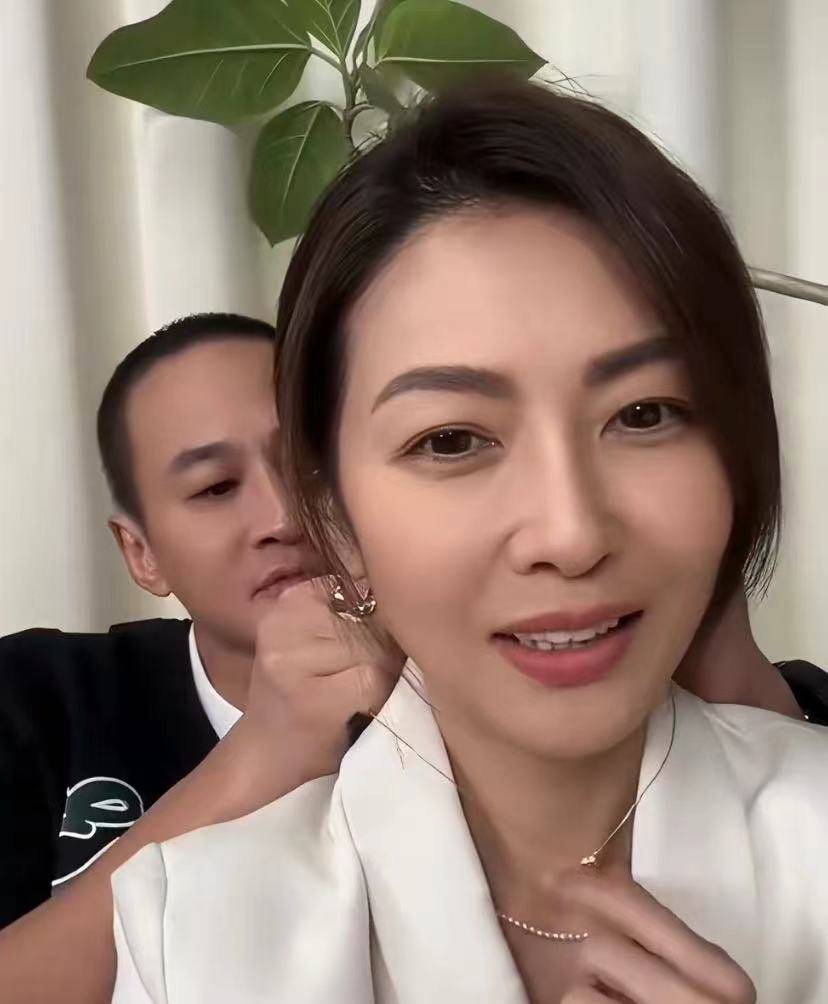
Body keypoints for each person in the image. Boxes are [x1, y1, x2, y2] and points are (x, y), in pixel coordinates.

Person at [110, 81, 828, 1003]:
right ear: (334, 515)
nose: (570, 534)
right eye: (452, 440)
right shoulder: (195, 930)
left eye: (645, 414)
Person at [0, 314, 401, 1002]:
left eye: (308, 463)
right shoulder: (40, 699)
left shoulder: (478, 678)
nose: (284, 518)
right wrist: (263, 752)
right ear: (142, 554)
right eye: (216, 488)